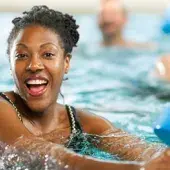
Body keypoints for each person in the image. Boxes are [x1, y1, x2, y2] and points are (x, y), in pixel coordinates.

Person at [0, 5, 170, 170]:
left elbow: (143, 150)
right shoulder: (2, 108)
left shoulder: (82, 123)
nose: (34, 65)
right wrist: (138, 169)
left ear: (66, 63)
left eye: (48, 54)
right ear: (11, 64)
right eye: (21, 55)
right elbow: (39, 153)